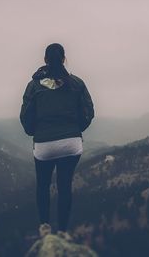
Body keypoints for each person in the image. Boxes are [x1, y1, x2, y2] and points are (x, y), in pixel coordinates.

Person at [19, 43, 94, 240]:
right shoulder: (76, 83)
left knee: (42, 185)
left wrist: (35, 133)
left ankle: (45, 229)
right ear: (63, 59)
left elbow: (25, 116)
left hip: (44, 144)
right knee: (64, 186)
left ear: (45, 60)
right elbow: (89, 112)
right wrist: (76, 130)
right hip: (71, 143)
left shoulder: (34, 85)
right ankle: (62, 231)